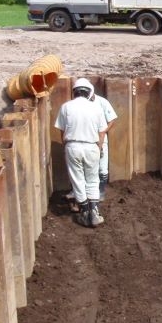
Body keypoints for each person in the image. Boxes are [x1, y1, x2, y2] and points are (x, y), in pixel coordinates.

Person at [54, 77, 108, 228]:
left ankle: (84, 212)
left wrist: (65, 147)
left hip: (73, 146)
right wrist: (100, 146)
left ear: (75, 92)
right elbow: (102, 130)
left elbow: (62, 130)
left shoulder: (66, 107)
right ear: (89, 92)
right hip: (92, 146)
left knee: (78, 179)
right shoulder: (96, 108)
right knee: (93, 179)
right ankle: (94, 212)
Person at [90, 85, 118, 201]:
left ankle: (101, 191)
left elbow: (112, 119)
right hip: (88, 139)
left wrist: (103, 131)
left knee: (102, 167)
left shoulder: (102, 102)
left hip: (100, 137)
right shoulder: (81, 104)